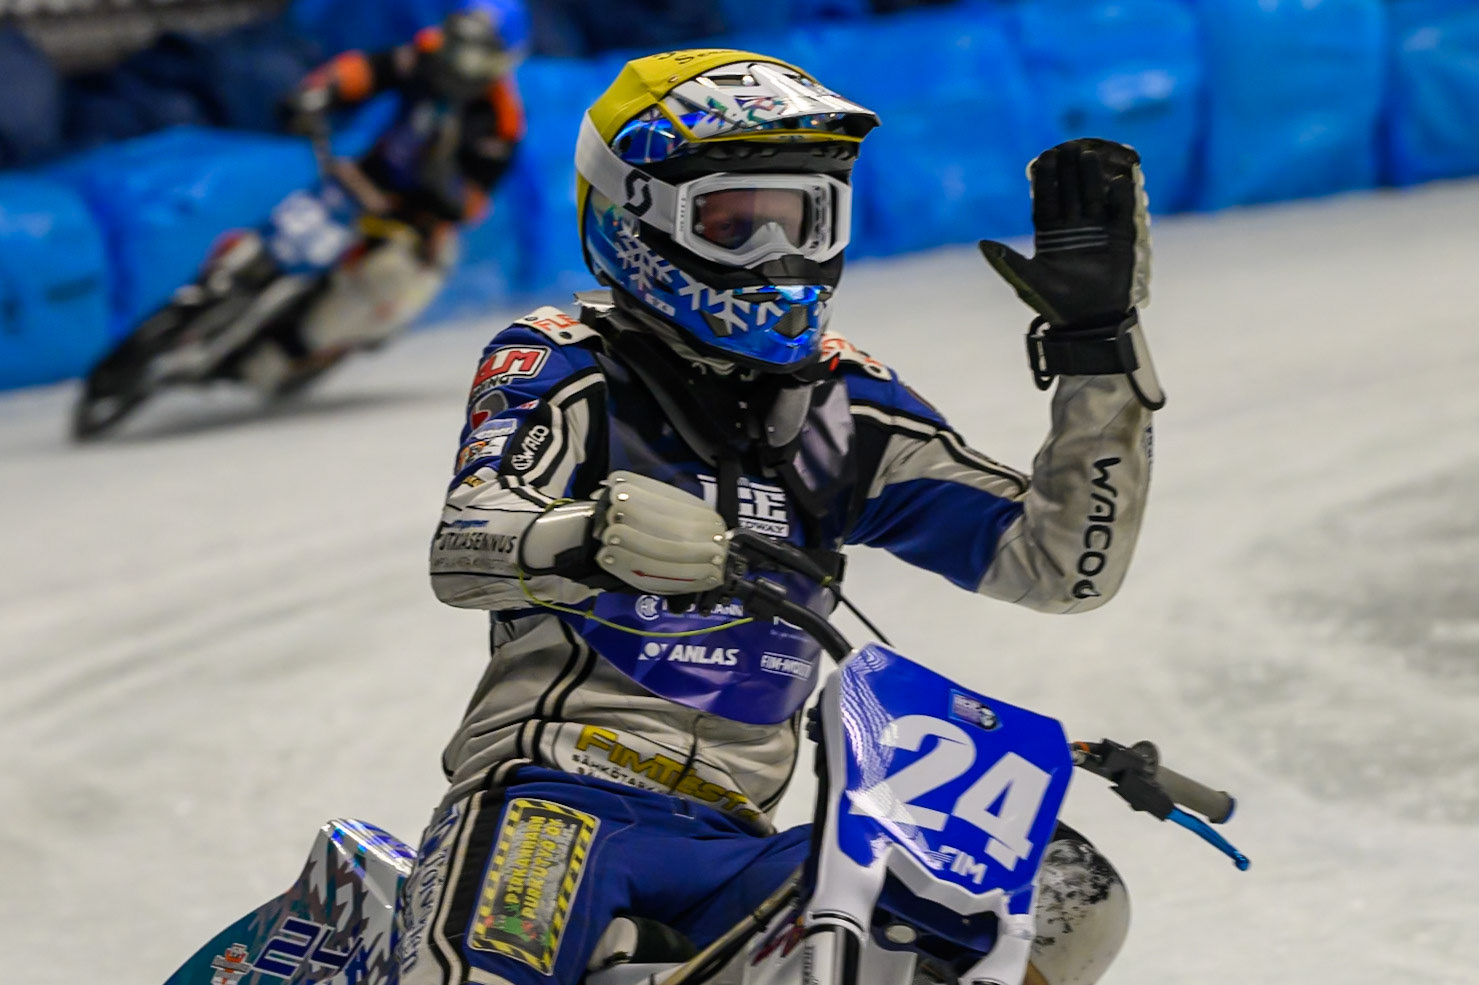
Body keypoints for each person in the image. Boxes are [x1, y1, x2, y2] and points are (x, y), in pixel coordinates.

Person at [398, 49, 1165, 985]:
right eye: (733, 222)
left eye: (801, 217)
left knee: (1059, 895)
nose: (777, 252)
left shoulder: (846, 404)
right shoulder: (569, 362)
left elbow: (1058, 566)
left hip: (738, 837)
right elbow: (464, 543)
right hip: (554, 802)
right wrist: (587, 536)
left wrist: (1096, 355)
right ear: (635, 216)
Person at [230, 2, 527, 392]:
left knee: (392, 275)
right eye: (457, 43)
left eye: (475, 53)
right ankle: (227, 277)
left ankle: (295, 347)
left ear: (502, 60)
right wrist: (319, 92)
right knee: (286, 210)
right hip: (370, 178)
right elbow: (366, 70)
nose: (459, 61)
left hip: (422, 217)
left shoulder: (502, 121)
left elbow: (474, 203)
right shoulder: (426, 53)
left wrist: (445, 187)